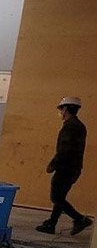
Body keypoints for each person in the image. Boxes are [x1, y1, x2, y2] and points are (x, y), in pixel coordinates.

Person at [37, 96, 93, 236]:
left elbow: (65, 149)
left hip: (66, 168)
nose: (61, 112)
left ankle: (80, 219)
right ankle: (51, 223)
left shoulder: (70, 127)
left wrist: (53, 164)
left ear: (66, 109)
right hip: (74, 168)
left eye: (61, 109)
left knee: (56, 197)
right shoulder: (79, 126)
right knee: (60, 197)